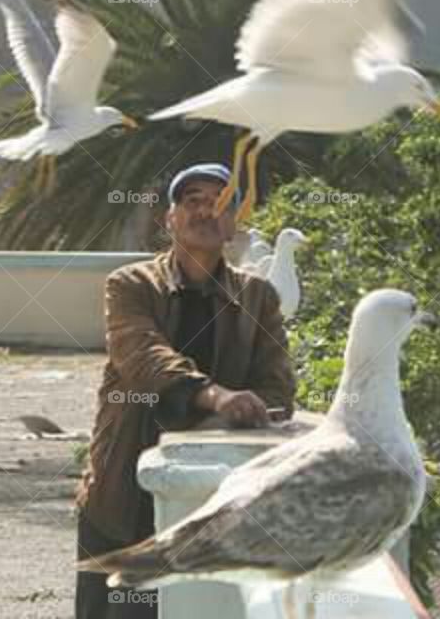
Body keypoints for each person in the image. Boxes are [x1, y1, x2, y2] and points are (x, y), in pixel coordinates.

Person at [74, 163, 296, 618]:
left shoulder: (259, 298)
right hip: (123, 494)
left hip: (210, 497)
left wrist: (236, 415)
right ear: (169, 219)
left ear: (234, 222)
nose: (205, 210)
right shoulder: (131, 285)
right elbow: (143, 357)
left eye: (219, 201)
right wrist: (216, 399)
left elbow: (277, 389)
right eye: (191, 200)